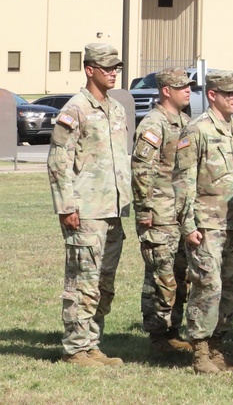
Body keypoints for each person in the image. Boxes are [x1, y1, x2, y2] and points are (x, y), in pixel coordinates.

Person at [48, 43, 131, 367]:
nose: (112, 72)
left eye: (115, 68)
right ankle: (75, 348)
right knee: (83, 280)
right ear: (89, 69)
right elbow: (58, 161)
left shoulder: (116, 108)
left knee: (103, 283)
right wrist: (67, 207)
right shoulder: (75, 109)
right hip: (85, 211)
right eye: (106, 67)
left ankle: (92, 343)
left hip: (112, 211)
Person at [175, 70, 233, 374]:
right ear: (212, 95)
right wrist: (188, 225)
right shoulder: (196, 130)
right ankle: (200, 351)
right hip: (206, 223)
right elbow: (183, 181)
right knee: (208, 285)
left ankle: (218, 346)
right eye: (230, 93)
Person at [132, 67, 195, 356]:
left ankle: (173, 331)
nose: (188, 91)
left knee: (181, 276)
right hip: (159, 214)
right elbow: (141, 170)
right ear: (166, 91)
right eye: (181, 87)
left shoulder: (183, 121)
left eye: (189, 87)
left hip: (180, 214)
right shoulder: (153, 124)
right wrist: (145, 210)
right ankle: (157, 336)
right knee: (160, 277)